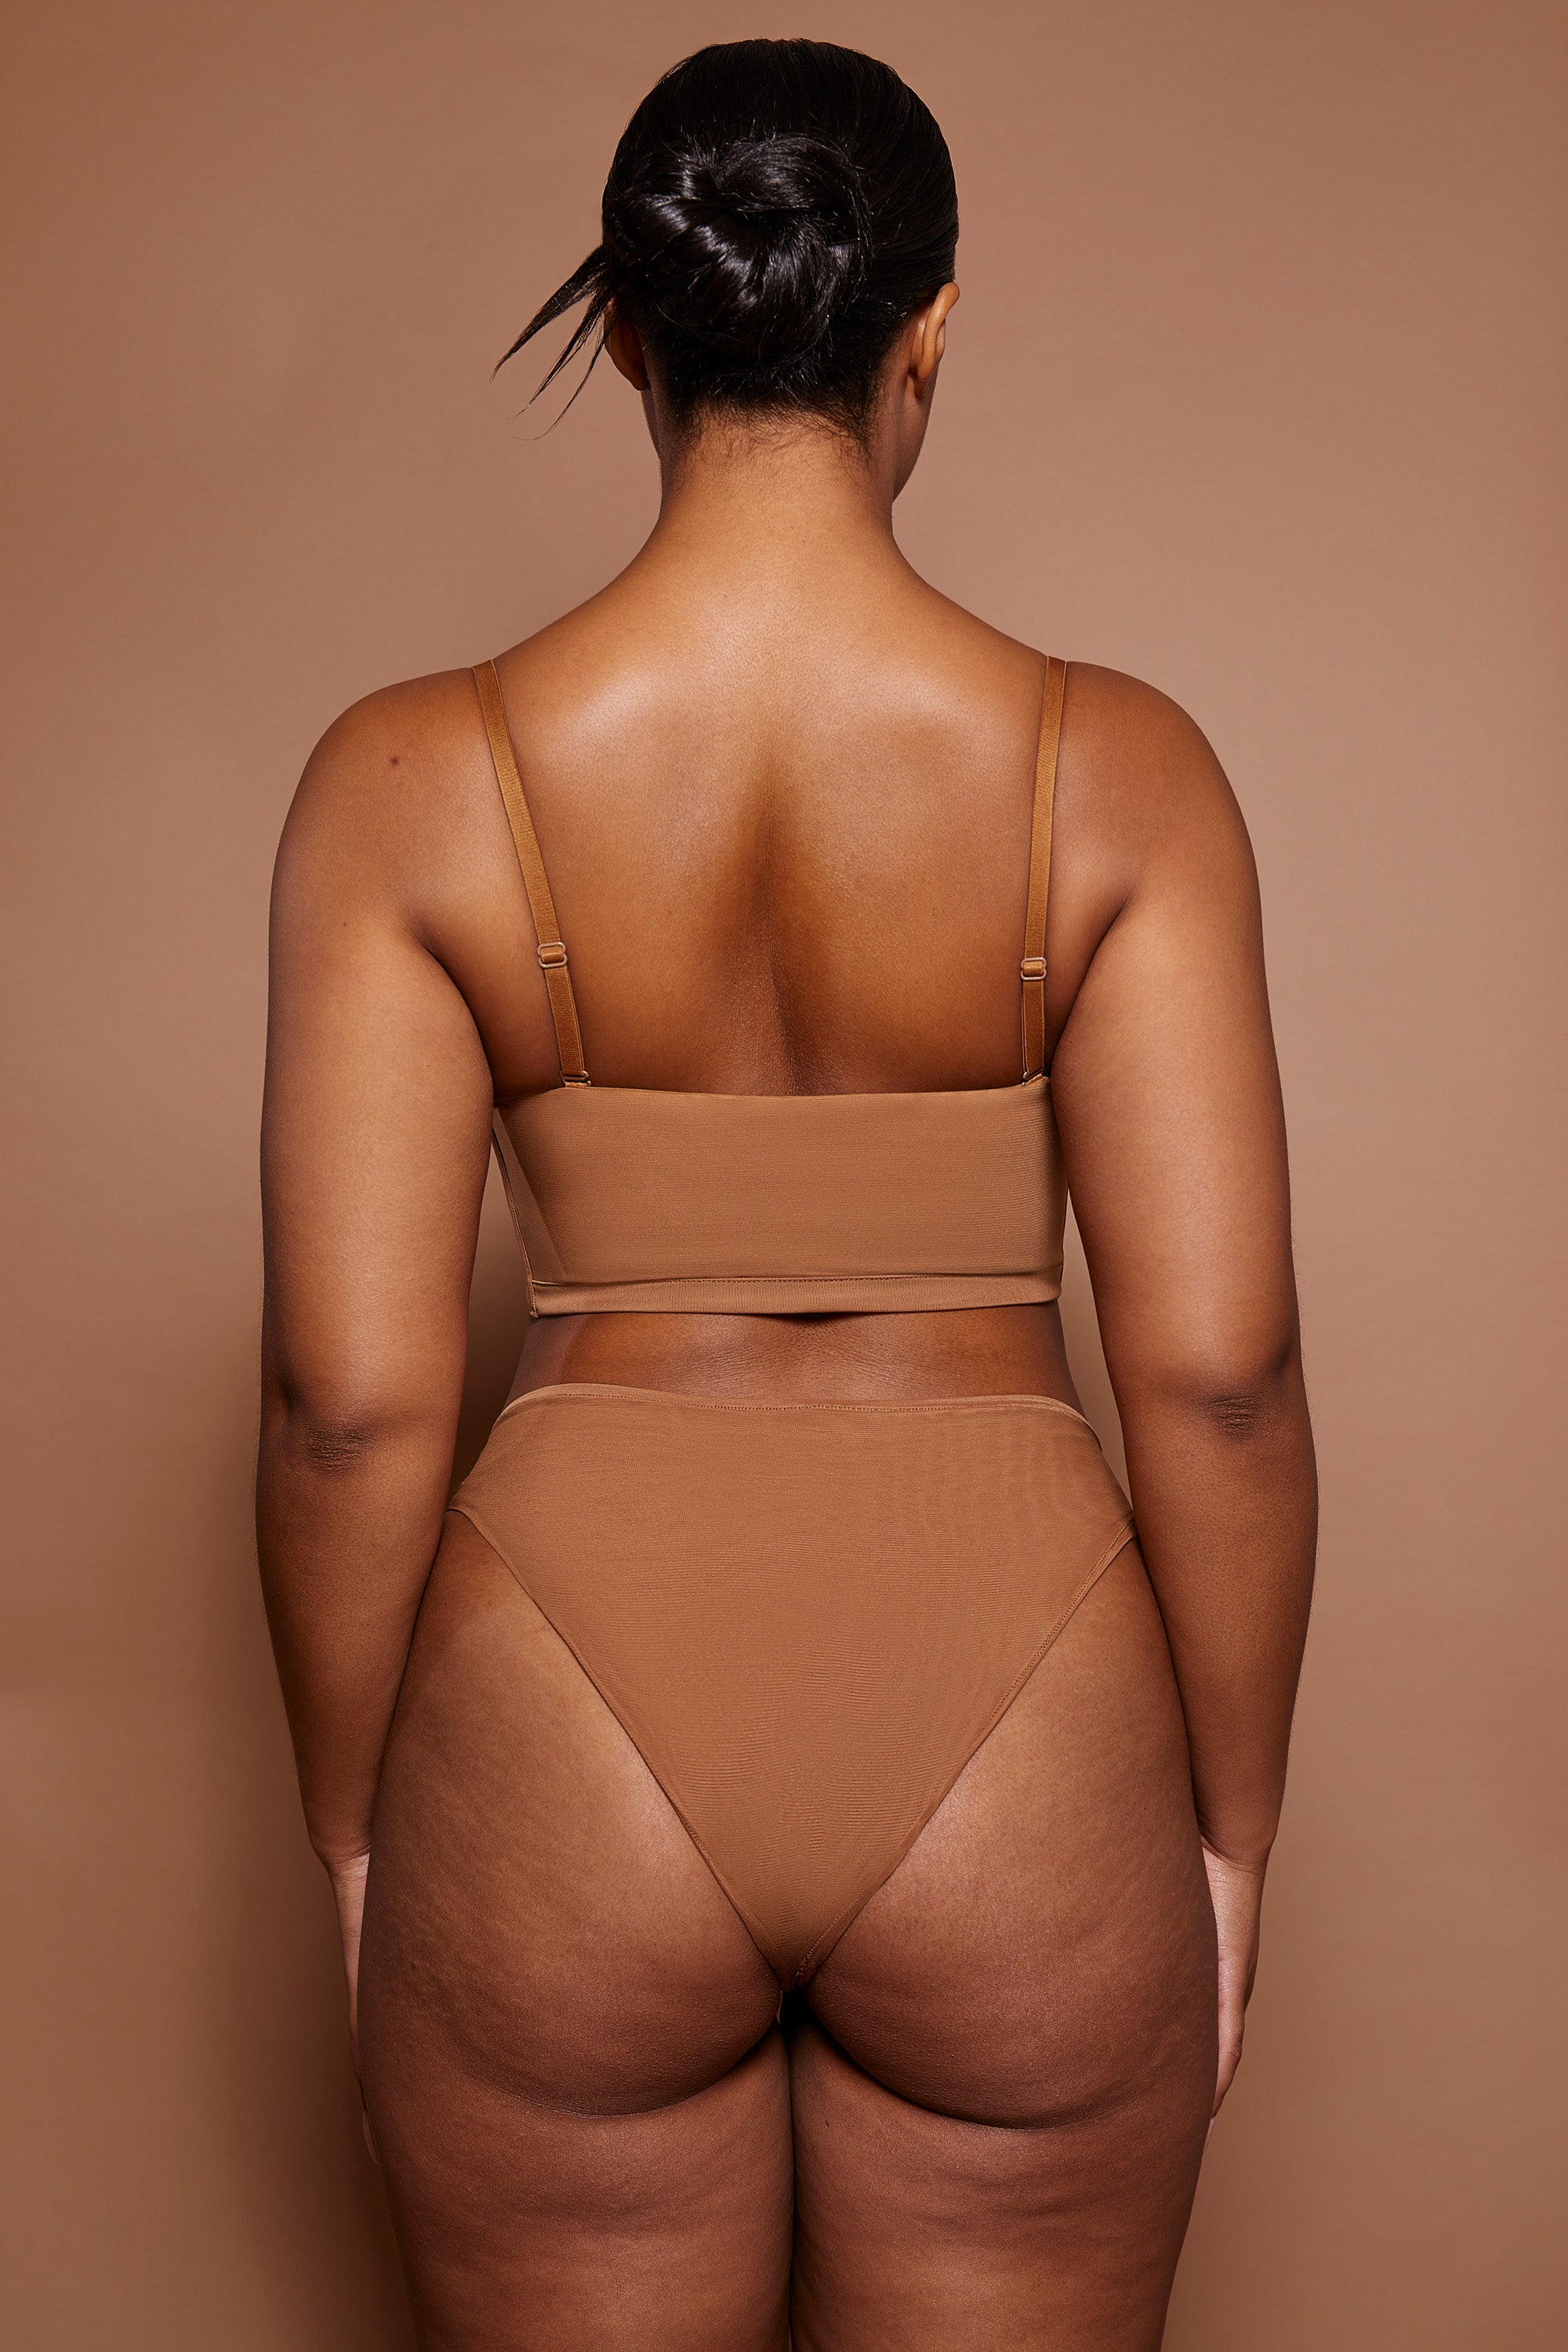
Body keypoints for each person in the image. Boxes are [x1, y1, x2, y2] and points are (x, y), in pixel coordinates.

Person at [257, 37, 1316, 2349]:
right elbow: (1223, 1381)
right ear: (928, 332)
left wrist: (360, 1839)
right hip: (1024, 1721)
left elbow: (347, 1409)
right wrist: (1230, 1839)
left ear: (633, 333)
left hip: (565, 1727)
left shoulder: (405, 782)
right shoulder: (1122, 774)